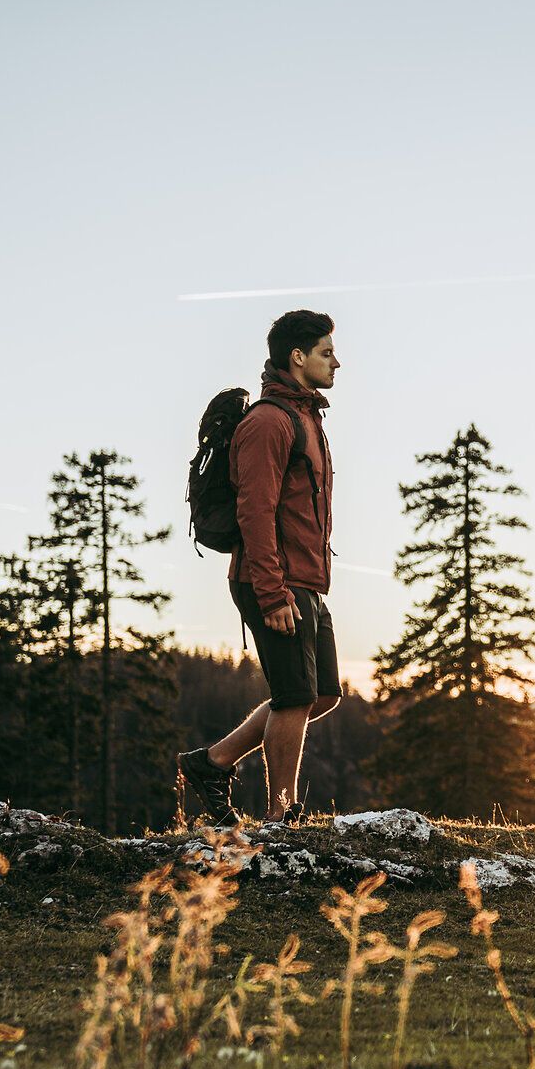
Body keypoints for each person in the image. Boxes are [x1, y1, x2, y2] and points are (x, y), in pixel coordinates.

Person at [177, 310, 342, 823]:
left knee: (321, 694)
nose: (337, 361)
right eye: (326, 351)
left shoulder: (306, 419)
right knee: (293, 697)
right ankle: (281, 815)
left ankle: (213, 762)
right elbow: (255, 512)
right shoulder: (270, 422)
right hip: (273, 581)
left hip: (305, 580)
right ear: (298, 357)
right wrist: (272, 594)